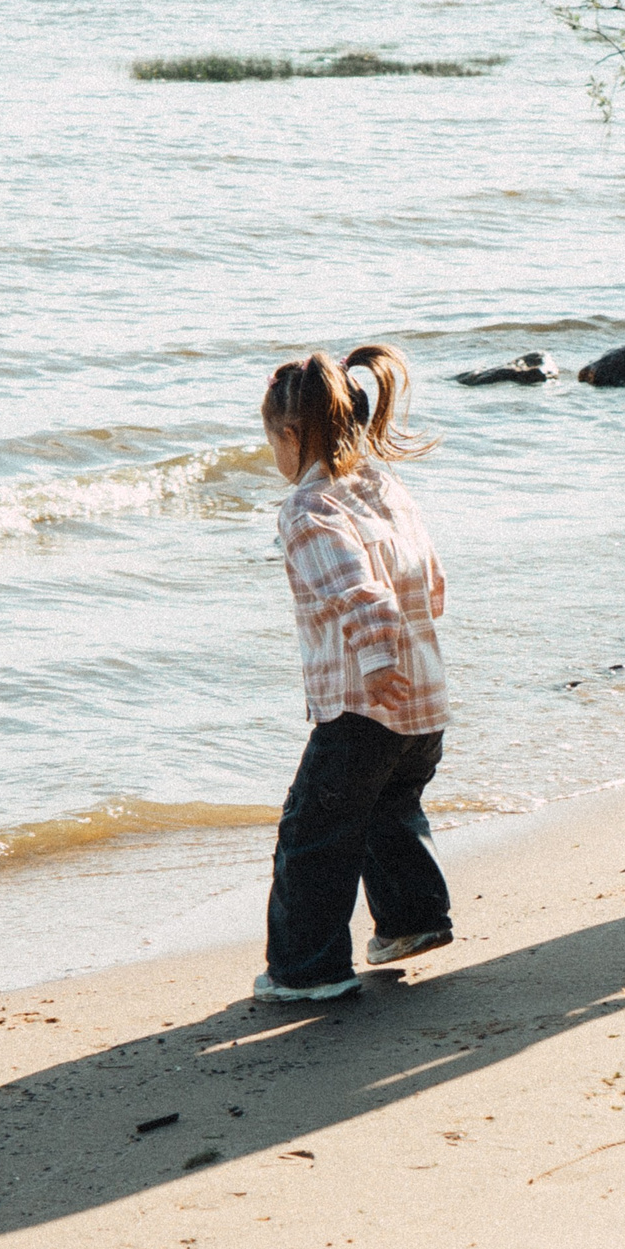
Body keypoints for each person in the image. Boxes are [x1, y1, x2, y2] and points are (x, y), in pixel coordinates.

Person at [253, 345, 455, 1004]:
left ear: (292, 436)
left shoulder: (309, 510)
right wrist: (402, 651)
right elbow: (431, 578)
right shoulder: (383, 486)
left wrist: (375, 659)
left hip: (364, 707)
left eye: (272, 444)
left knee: (312, 834)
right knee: (388, 812)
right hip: (423, 707)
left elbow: (360, 594)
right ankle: (410, 920)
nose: (275, 460)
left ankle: (307, 969)